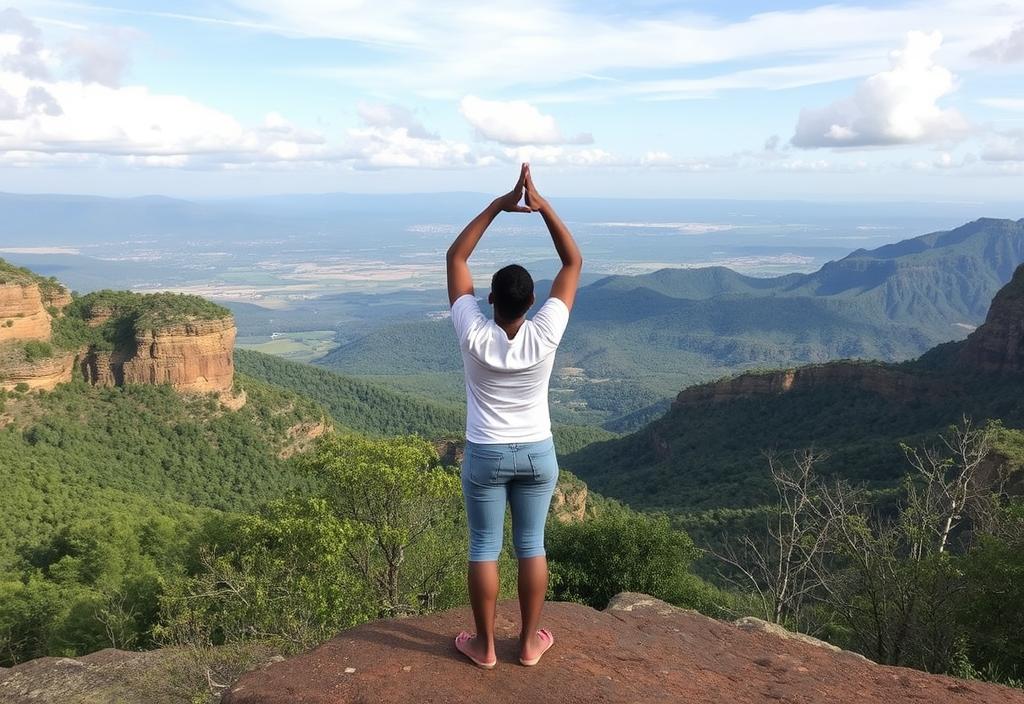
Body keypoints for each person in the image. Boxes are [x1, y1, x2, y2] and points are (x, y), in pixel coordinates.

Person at [446, 163, 582, 669]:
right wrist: (542, 208)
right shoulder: (546, 330)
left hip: (485, 452)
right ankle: (527, 644)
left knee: (484, 545)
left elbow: (456, 256)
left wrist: (497, 206)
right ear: (531, 301)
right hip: (536, 453)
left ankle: (484, 647)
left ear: (489, 300)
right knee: (532, 545)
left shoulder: (472, 331)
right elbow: (572, 263)